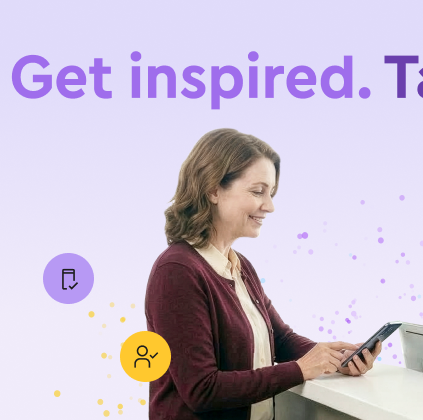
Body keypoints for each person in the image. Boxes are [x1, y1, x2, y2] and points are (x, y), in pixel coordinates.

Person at [145, 128, 382, 420]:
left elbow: (280, 340)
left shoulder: (240, 266)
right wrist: (299, 370)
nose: (269, 206)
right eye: (258, 192)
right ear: (213, 189)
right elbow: (202, 389)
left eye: (270, 193)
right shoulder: (178, 271)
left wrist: (335, 359)